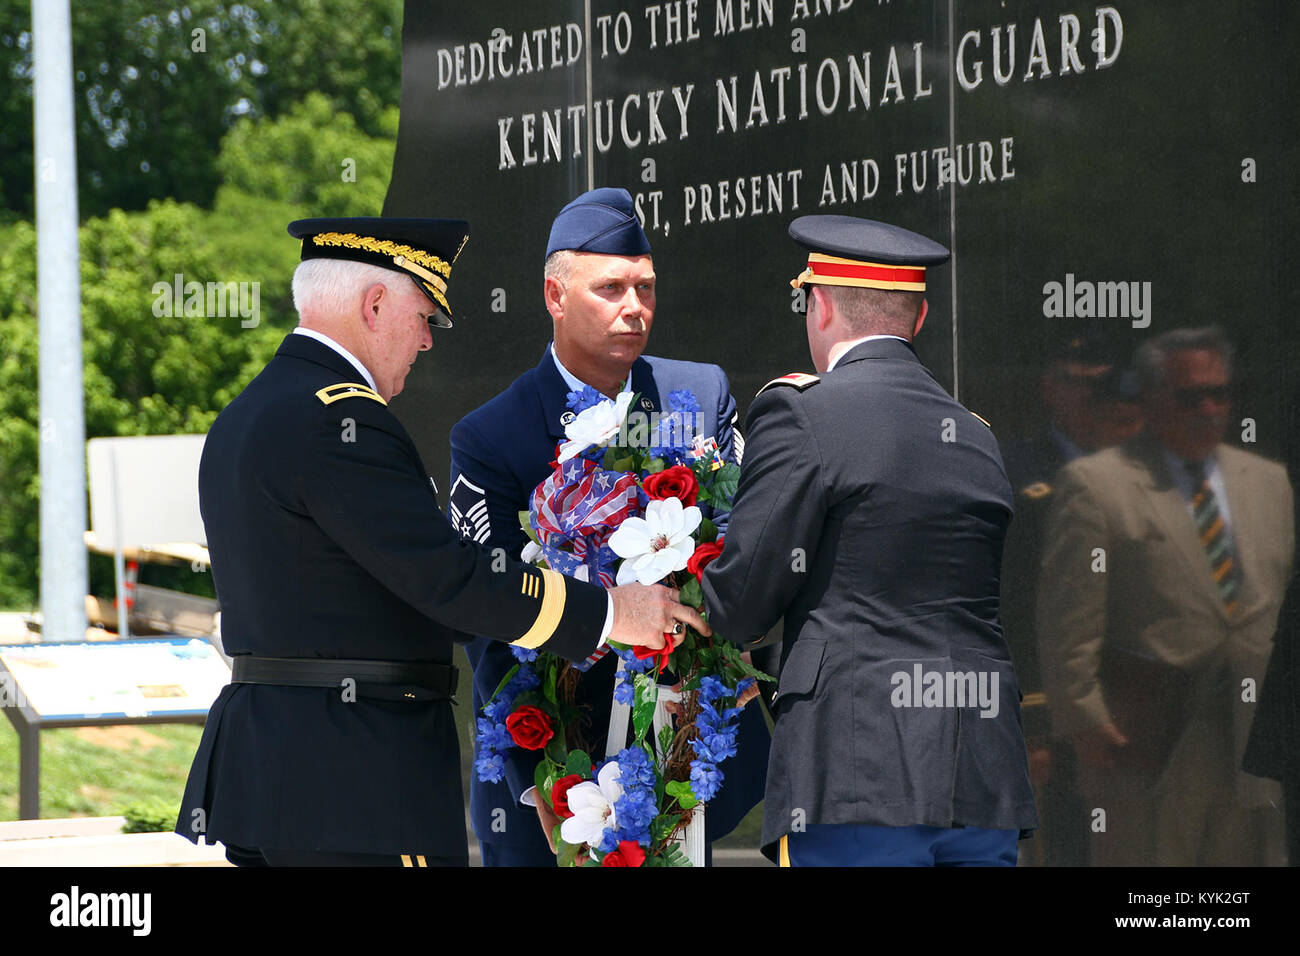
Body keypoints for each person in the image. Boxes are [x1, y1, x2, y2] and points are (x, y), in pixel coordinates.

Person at [175, 216, 701, 867]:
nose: (426, 342)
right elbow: (448, 579)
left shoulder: (248, 413)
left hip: (278, 776)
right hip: (356, 776)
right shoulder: (342, 419)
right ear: (373, 306)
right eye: (424, 316)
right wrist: (615, 611)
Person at [700, 214, 1038, 866]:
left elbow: (742, 602)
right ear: (919, 316)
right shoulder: (975, 434)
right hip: (982, 781)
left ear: (819, 303)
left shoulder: (802, 413)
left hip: (857, 777)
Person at [449, 187, 770, 866]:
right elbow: (491, 611)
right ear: (554, 296)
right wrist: (550, 776)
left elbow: (740, 542)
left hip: (683, 760)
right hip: (554, 768)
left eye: (646, 287)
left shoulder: (701, 396)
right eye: (611, 288)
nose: (634, 307)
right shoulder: (491, 437)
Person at [1037, 326, 1293, 866]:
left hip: (1255, 741)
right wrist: (1087, 725)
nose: (1207, 408)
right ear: (1151, 400)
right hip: (1148, 744)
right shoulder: (1096, 484)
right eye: (1188, 395)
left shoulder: (1268, 482)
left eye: (1219, 394)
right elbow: (1068, 627)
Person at [998, 336, 1142, 865]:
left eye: (1099, 384)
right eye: (1076, 383)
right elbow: (1015, 604)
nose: (1089, 396)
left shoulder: (1152, 467)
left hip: (1139, 707)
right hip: (1056, 716)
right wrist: (1032, 721)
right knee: (1064, 845)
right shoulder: (1018, 474)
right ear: (1049, 389)